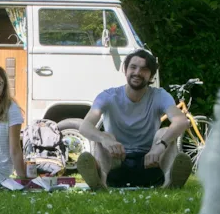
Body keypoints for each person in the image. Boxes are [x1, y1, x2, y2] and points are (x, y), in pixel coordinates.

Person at [76, 49, 193, 190]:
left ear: (151, 75)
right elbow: (85, 126)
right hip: (116, 162)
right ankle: (101, 181)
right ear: (125, 70)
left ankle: (170, 182)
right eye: (133, 67)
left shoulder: (160, 95)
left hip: (151, 162)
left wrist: (159, 146)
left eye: (144, 69)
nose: (137, 72)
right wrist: (104, 139)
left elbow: (181, 121)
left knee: (165, 133)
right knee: (104, 136)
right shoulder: (108, 96)